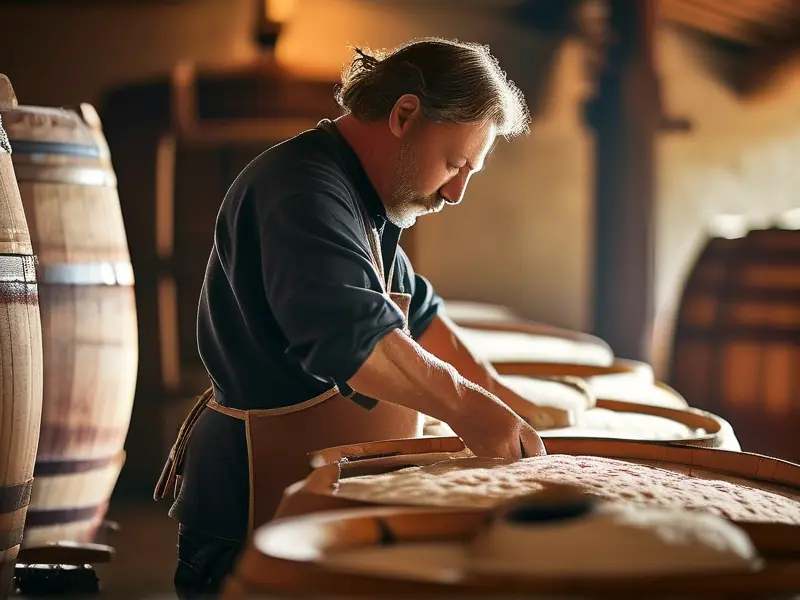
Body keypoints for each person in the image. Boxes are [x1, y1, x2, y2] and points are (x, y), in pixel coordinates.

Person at [155, 37, 547, 599]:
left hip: (314, 507)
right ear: (405, 115)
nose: (458, 191)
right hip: (250, 517)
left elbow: (424, 317)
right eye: (455, 162)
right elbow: (359, 341)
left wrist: (509, 401)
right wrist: (468, 408)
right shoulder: (304, 190)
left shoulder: (365, 202)